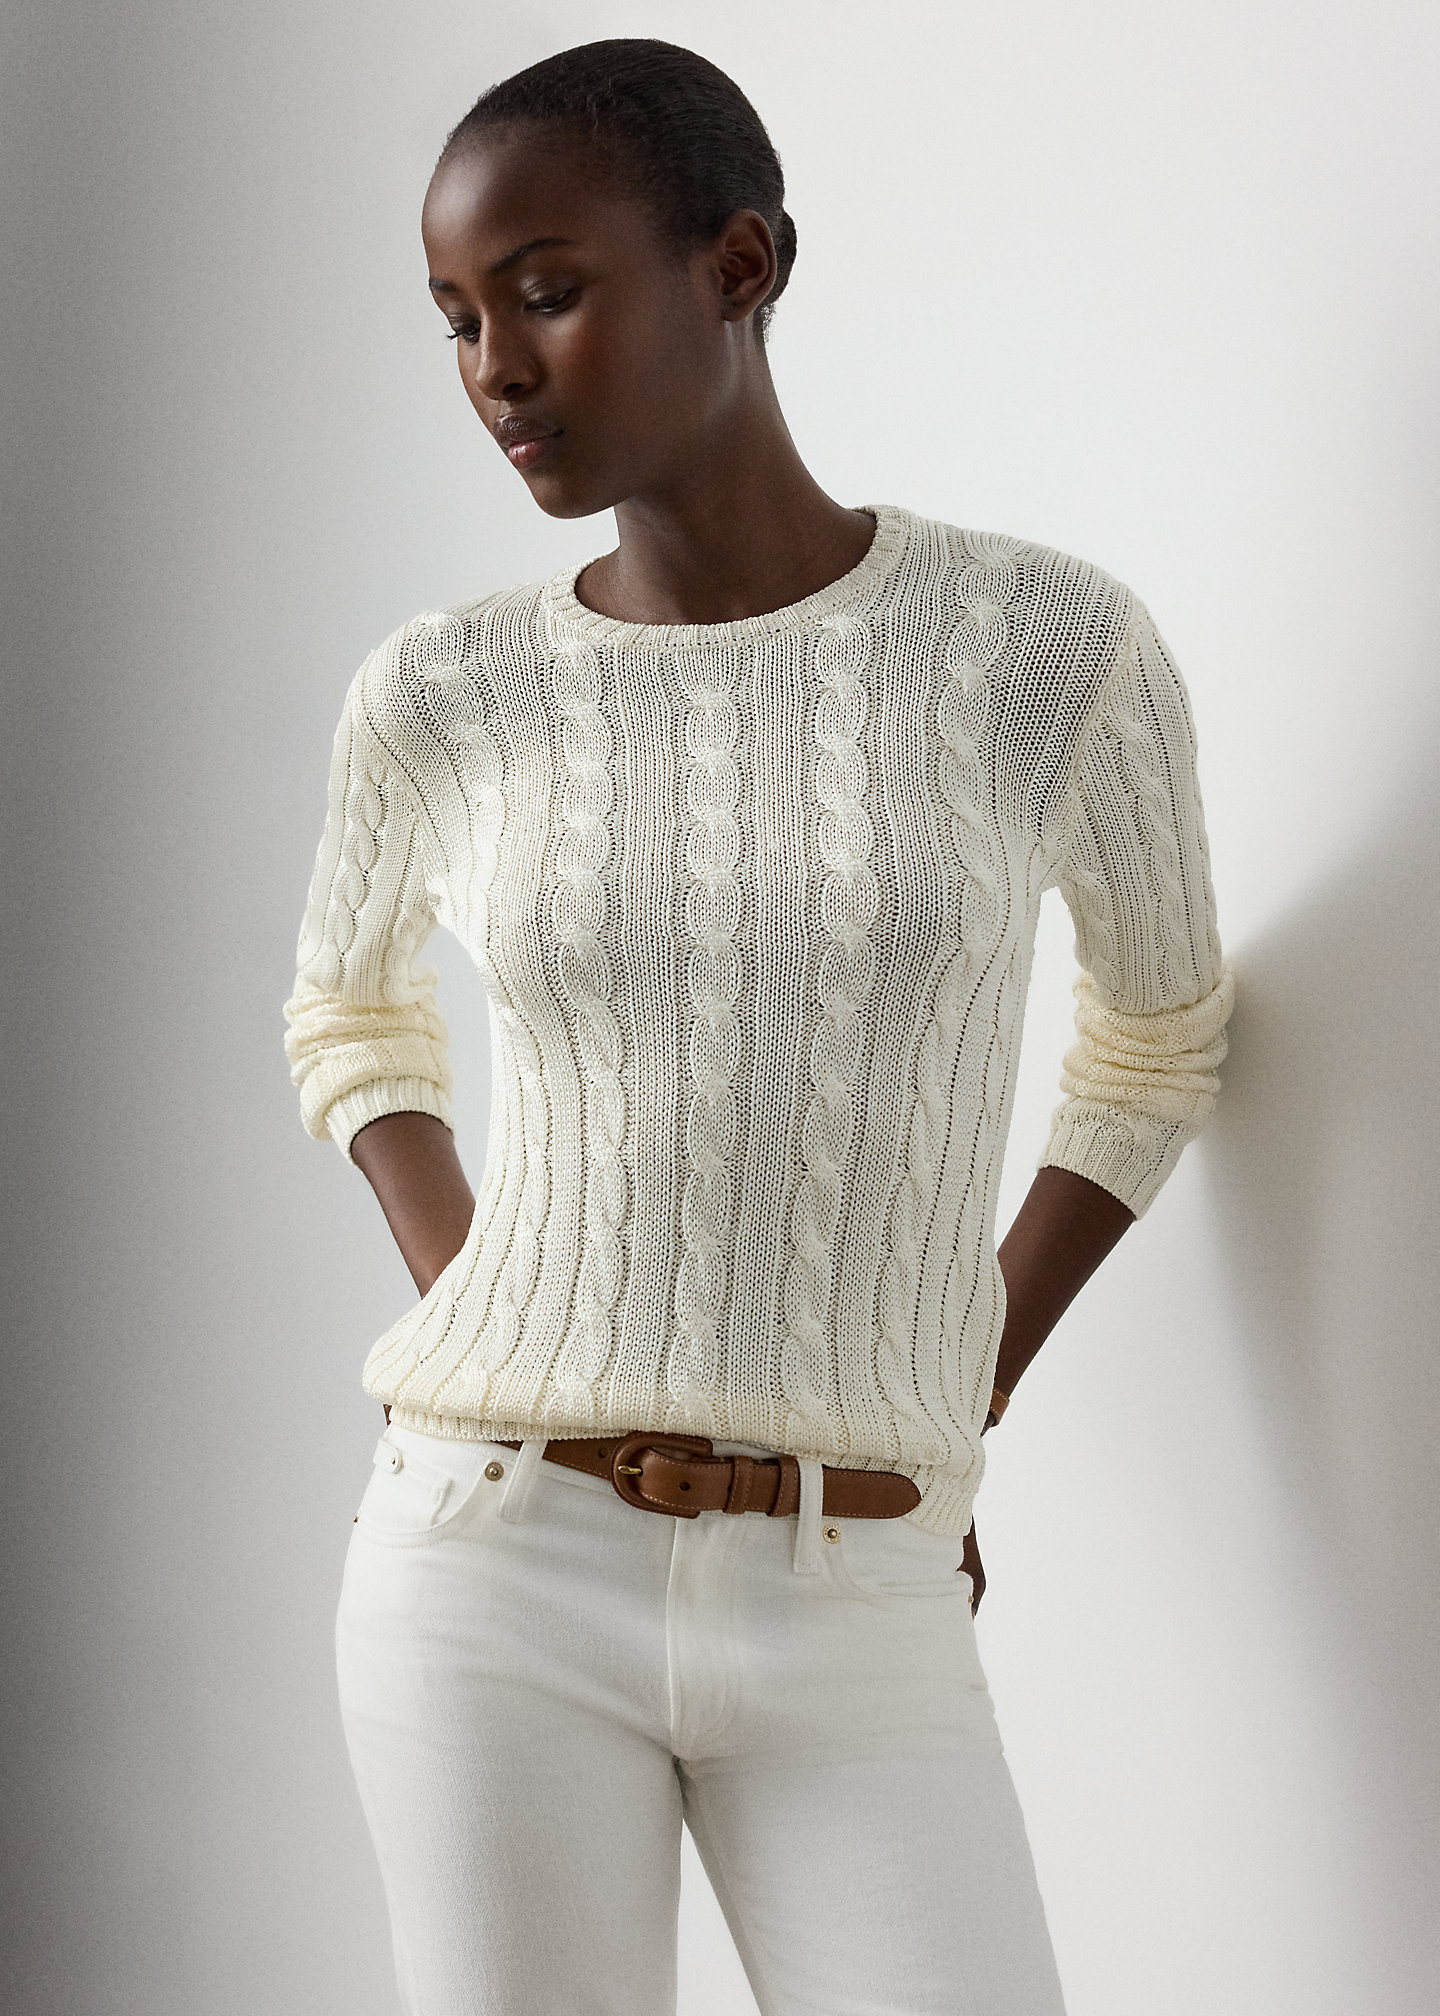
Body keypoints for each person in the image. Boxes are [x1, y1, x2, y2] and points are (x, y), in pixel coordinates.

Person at [283, 36, 1233, 2016]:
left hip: (858, 1584)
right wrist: (489, 1300)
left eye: (547, 291)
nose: (496, 369)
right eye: (457, 319)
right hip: (486, 1564)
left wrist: (954, 1377)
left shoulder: (1044, 652)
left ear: (739, 265)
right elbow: (347, 1012)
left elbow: (1157, 1039)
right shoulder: (444, 692)